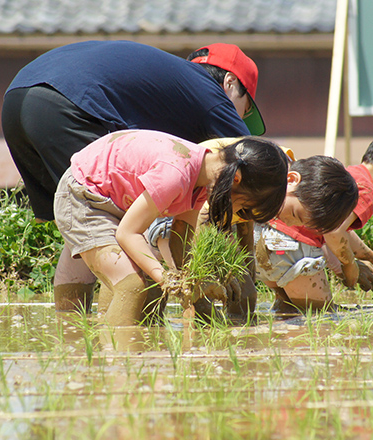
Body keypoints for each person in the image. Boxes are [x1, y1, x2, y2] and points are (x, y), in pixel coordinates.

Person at [1, 40, 266, 310]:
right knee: (122, 252)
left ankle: (70, 331)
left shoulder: (173, 89)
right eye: (244, 110)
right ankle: (116, 333)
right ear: (230, 83)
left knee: (87, 227)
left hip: (17, 98)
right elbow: (253, 176)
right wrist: (245, 278)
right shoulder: (214, 98)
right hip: (66, 103)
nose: (239, 121)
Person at [53, 129, 289, 326]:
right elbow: (127, 233)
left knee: (145, 286)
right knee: (131, 285)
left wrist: (199, 283)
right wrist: (167, 279)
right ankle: (115, 369)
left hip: (113, 201)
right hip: (83, 195)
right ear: (236, 179)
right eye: (245, 207)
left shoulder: (201, 175)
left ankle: (123, 351)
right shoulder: (176, 174)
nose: (240, 215)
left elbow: (181, 240)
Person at [148, 148, 360, 321]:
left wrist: (246, 269)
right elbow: (198, 223)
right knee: (205, 302)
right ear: (292, 178)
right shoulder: (264, 177)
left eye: (300, 223)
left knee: (244, 295)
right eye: (295, 214)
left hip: (197, 221)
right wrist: (214, 277)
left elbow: (244, 225)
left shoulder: (269, 190)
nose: (288, 222)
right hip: (171, 215)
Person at [255, 129, 373, 312]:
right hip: (291, 246)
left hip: (264, 238)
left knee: (288, 310)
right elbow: (334, 231)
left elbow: (340, 230)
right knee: (320, 315)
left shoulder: (349, 175)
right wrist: (349, 265)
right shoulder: (367, 192)